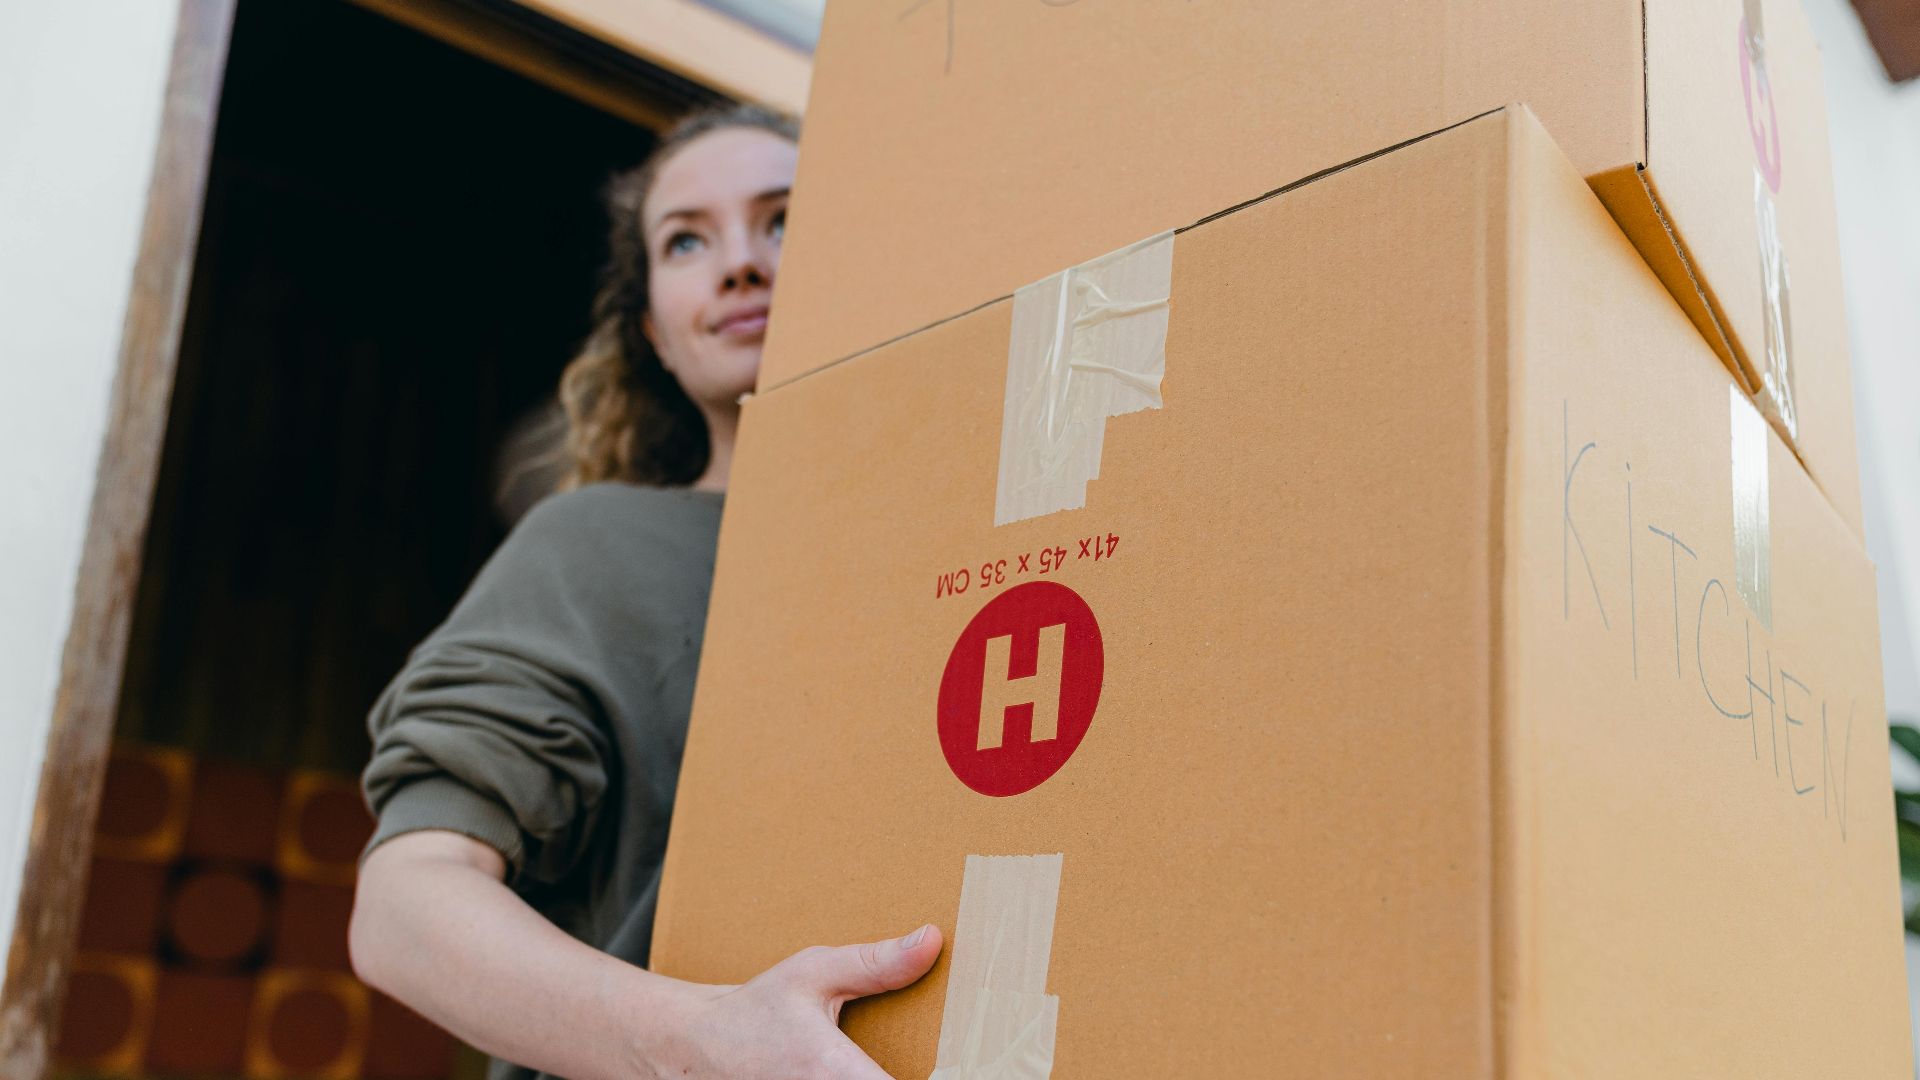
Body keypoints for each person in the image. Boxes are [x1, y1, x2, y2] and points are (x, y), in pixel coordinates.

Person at [349, 104, 943, 1080]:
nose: (741, 263)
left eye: (783, 220)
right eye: (686, 241)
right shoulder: (593, 550)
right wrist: (701, 1044)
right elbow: (404, 908)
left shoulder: (981, 533)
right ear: (654, 333)